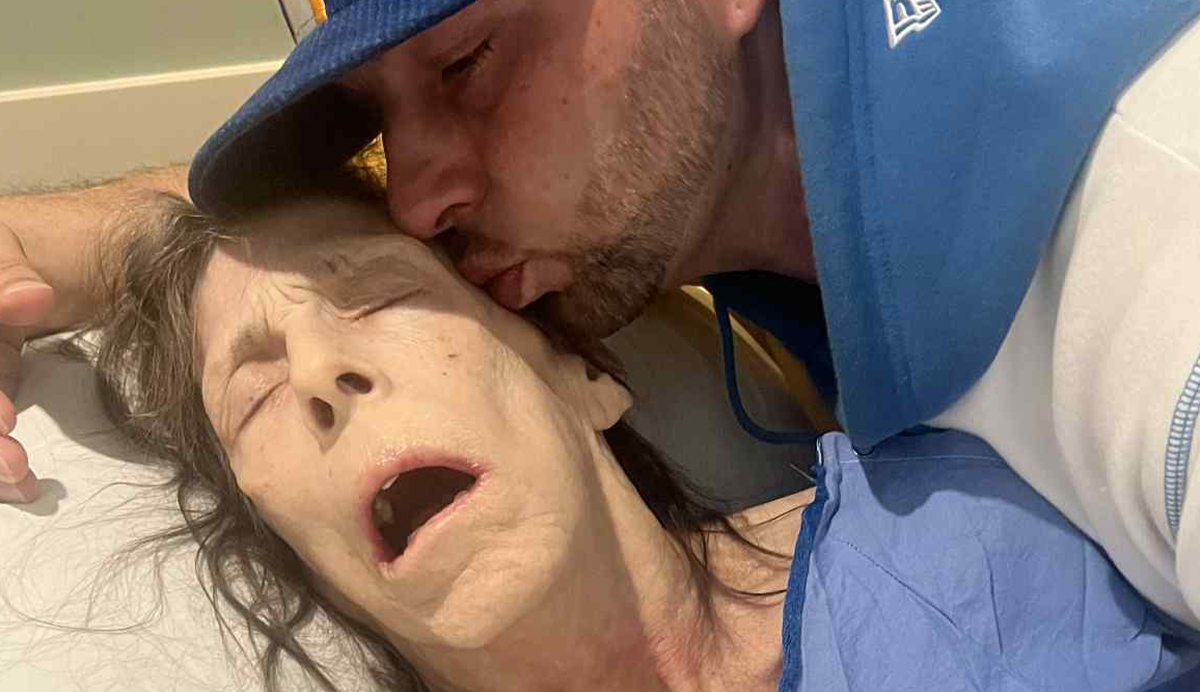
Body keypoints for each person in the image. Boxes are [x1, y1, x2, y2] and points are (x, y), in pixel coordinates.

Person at [3, 0, 1200, 630]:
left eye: (467, 65)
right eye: (376, 116)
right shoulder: (815, 19)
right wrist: (43, 244)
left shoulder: (1143, 251)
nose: (417, 199)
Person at [90, 186, 1200, 692]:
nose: (319, 374)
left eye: (376, 296)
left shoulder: (973, 521)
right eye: (254, 395)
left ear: (579, 376)